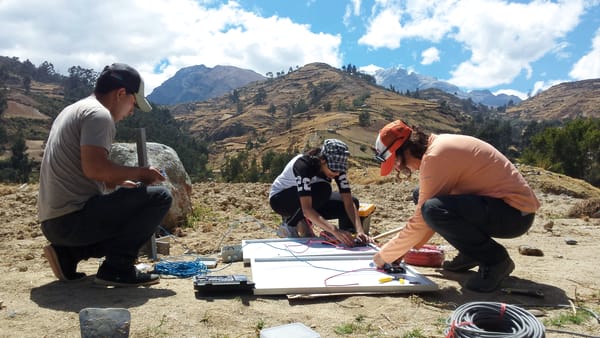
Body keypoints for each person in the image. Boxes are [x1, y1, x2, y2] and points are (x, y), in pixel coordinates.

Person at [38, 63, 173, 287]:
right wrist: (142, 174)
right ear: (121, 93)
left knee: (130, 203)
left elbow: (84, 172)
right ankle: (117, 269)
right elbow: (95, 169)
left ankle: (68, 255)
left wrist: (117, 181)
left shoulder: (73, 109)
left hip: (54, 224)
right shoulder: (99, 115)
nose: (131, 112)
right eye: (133, 104)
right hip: (71, 221)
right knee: (160, 197)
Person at [372, 120, 540, 292]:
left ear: (407, 149)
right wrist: (402, 249)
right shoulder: (438, 147)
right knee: (423, 197)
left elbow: (424, 218)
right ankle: (471, 253)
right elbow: (428, 217)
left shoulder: (436, 156)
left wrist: (385, 255)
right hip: (504, 209)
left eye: (398, 162)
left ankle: (495, 261)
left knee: (433, 209)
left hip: (514, 215)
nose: (400, 168)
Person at [269, 139, 369, 247]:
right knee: (323, 189)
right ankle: (290, 225)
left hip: (308, 199)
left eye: (339, 170)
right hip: (281, 200)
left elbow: (349, 203)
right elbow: (307, 209)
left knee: (353, 201)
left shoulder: (337, 168)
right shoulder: (303, 165)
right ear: (322, 160)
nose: (337, 173)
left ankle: (347, 237)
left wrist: (360, 231)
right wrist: (334, 230)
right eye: (333, 169)